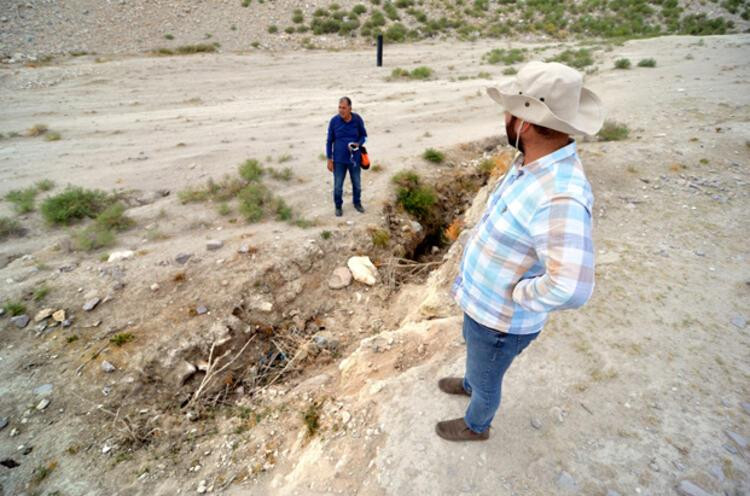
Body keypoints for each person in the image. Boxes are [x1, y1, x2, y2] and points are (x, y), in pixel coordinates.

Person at [435, 61, 604, 442]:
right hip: (484, 312)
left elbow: (573, 287)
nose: (505, 116)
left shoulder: (560, 195)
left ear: (524, 123)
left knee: (489, 375)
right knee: (478, 360)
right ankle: (470, 381)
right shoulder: (534, 162)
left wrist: (519, 295)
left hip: (500, 321)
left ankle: (476, 424)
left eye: (509, 109)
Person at [326, 97, 368, 217]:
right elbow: (329, 141)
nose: (341, 110)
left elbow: (364, 136)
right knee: (338, 186)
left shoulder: (357, 119)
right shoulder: (334, 121)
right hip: (338, 160)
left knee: (357, 184)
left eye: (344, 108)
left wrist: (358, 144)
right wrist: (329, 159)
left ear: (350, 108)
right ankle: (338, 206)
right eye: (339, 107)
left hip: (354, 159)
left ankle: (357, 203)